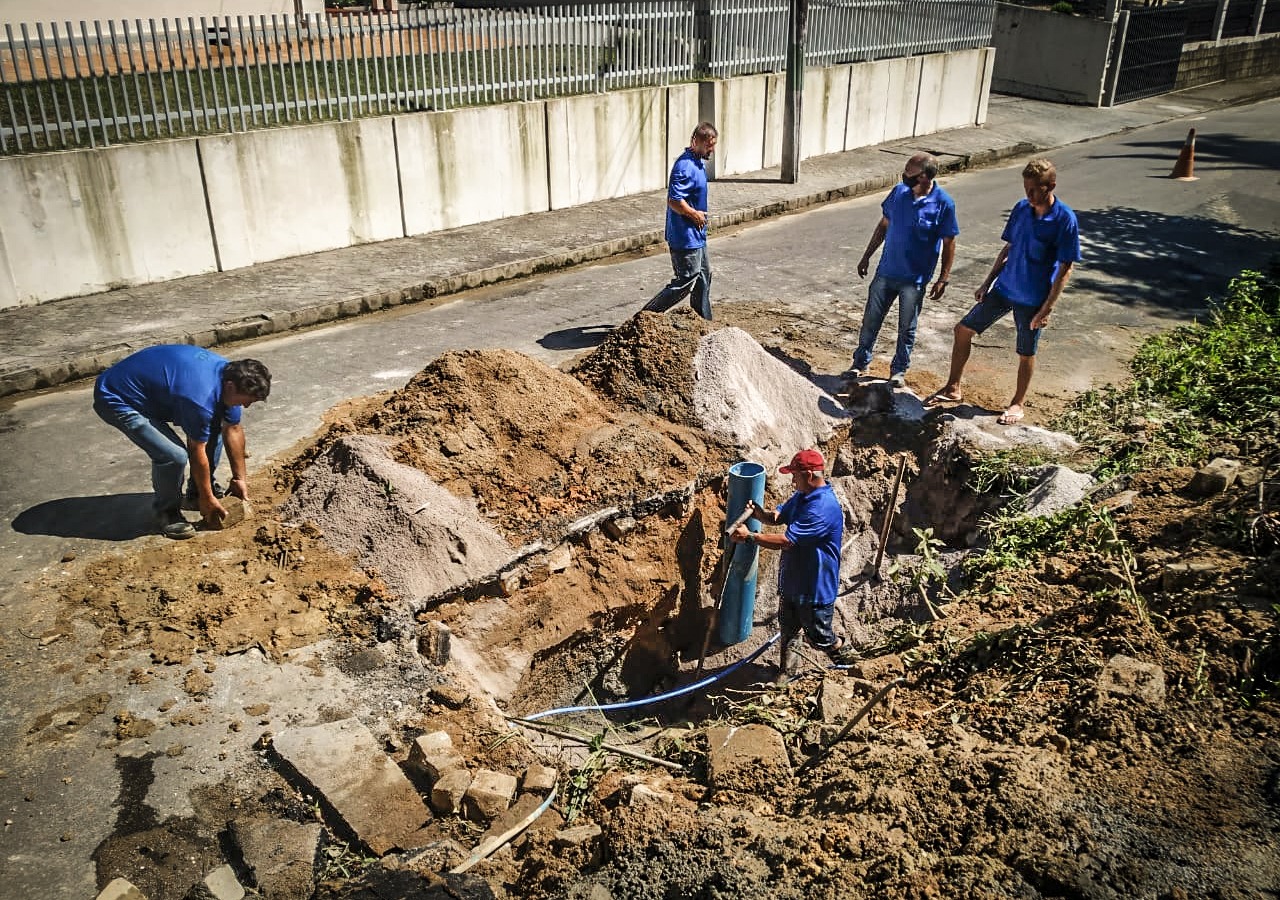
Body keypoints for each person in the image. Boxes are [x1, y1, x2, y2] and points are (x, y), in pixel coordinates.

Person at [926, 158, 1081, 425]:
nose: (1029, 195)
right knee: (963, 330)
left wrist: (1047, 309)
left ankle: (1017, 403)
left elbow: (1066, 268)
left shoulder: (1065, 220)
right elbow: (1008, 248)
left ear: (1050, 186)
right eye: (1026, 188)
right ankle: (953, 387)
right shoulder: (1022, 209)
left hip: (1033, 298)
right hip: (1004, 288)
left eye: (1034, 189)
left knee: (1026, 352)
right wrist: (987, 283)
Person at [94, 345, 272, 539]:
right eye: (245, 400)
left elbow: (233, 429)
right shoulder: (200, 398)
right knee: (173, 456)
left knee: (216, 428)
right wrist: (208, 498)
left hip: (156, 390)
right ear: (230, 386)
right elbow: (197, 450)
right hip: (117, 397)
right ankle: (167, 512)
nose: (245, 406)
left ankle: (197, 493)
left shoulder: (229, 380)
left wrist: (240, 479)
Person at [730, 449, 846, 684]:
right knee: (789, 630)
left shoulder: (822, 508)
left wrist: (750, 536)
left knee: (819, 637)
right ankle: (787, 674)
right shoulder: (802, 496)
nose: (792, 480)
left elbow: (786, 541)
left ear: (810, 474)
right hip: (793, 583)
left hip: (814, 589)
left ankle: (850, 662)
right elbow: (777, 517)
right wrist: (761, 514)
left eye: (795, 475)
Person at [848, 152, 958, 388]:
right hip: (886, 272)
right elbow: (884, 225)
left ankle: (898, 370)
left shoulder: (943, 204)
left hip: (914, 279)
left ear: (926, 176)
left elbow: (949, 243)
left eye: (910, 173)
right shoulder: (898, 193)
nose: (905, 176)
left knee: (907, 327)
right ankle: (860, 363)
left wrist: (943, 278)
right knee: (871, 320)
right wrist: (867, 255)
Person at [640, 121, 718, 320]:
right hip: (684, 236)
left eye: (714, 144)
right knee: (686, 280)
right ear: (695, 142)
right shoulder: (684, 167)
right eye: (709, 145)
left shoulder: (698, 162)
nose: (712, 149)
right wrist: (694, 214)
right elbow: (674, 200)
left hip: (697, 234)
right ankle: (645, 318)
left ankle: (702, 321)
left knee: (703, 276)